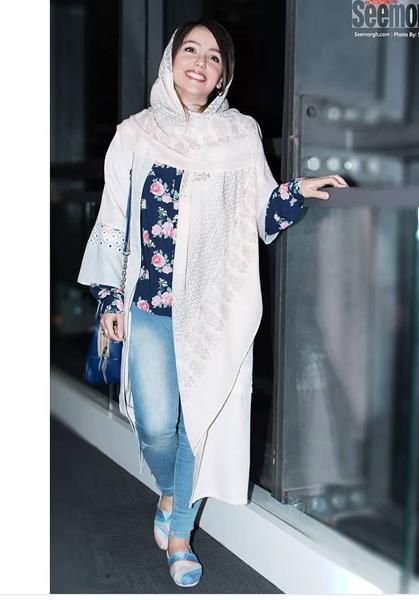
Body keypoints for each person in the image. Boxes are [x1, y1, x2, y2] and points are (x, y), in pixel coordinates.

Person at [77, 18, 348, 588]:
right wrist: (109, 298)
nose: (201, 62)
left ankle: (179, 535)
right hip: (149, 305)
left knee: (200, 421)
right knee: (156, 426)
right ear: (171, 59)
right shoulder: (135, 134)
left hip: (211, 309)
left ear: (223, 75)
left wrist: (297, 191)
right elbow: (114, 216)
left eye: (214, 57)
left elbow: (261, 212)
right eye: (191, 50)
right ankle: (172, 492)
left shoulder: (240, 134)